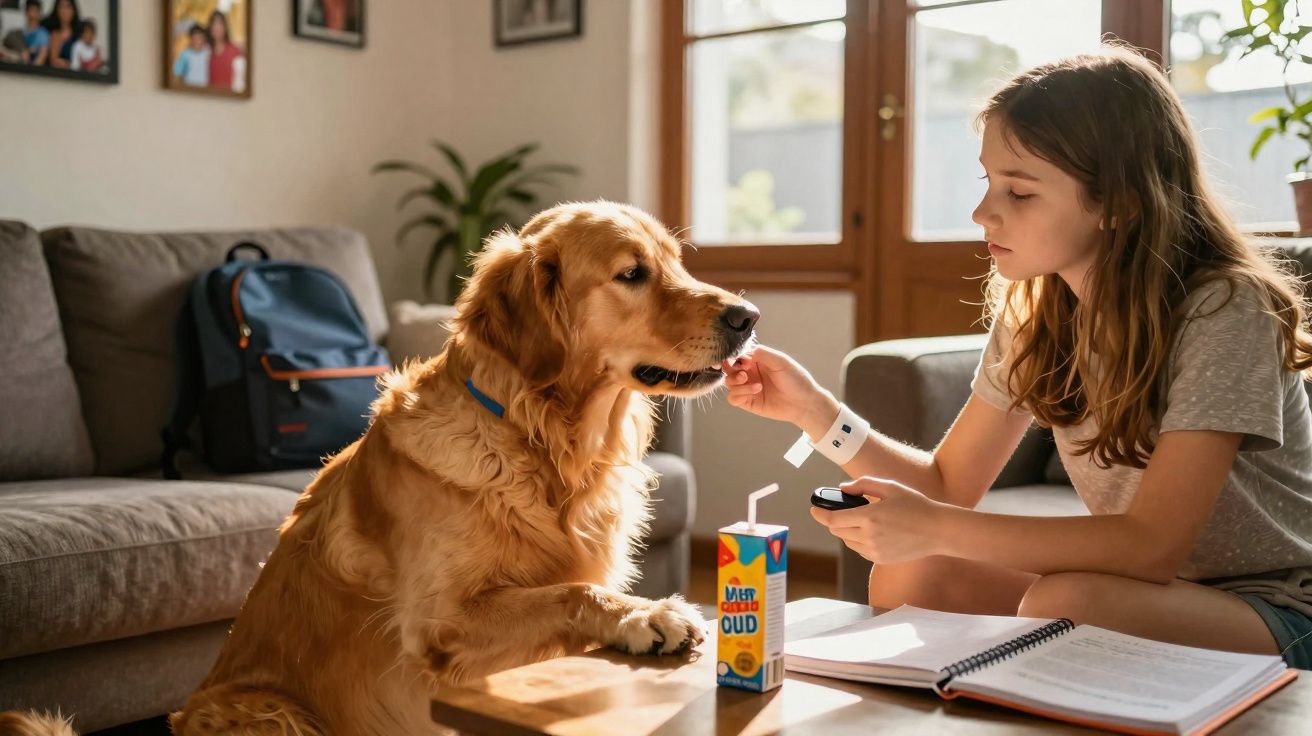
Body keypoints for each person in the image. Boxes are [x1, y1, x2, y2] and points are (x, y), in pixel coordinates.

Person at [724, 46, 1312, 670]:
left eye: (1020, 192)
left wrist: (935, 525)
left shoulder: (1224, 308)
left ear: (1119, 201)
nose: (982, 213)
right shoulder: (1037, 312)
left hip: (1278, 608)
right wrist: (815, 412)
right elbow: (948, 486)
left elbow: (1152, 546)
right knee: (914, 574)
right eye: (988, 182)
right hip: (1154, 594)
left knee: (1070, 601)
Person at [206, 9, 241, 90]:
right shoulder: (206, 52)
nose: (217, 27)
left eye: (220, 23)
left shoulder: (235, 51)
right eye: (214, 24)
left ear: (225, 27)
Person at [40, 0, 79, 69]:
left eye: (68, 7)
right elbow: (53, 61)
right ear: (57, 10)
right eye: (61, 7)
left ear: (74, 10)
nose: (65, 11)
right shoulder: (53, 33)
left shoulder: (79, 33)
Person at [172, 22, 209, 87]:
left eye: (199, 38)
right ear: (190, 39)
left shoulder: (207, 53)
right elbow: (177, 73)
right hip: (189, 88)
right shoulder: (185, 54)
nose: (197, 41)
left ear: (203, 39)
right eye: (194, 38)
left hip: (205, 89)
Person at [20, 0, 48, 65]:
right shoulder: (21, 32)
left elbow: (42, 55)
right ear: (26, 13)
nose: (32, 14)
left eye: (35, 11)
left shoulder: (43, 34)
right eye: (30, 10)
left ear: (40, 13)